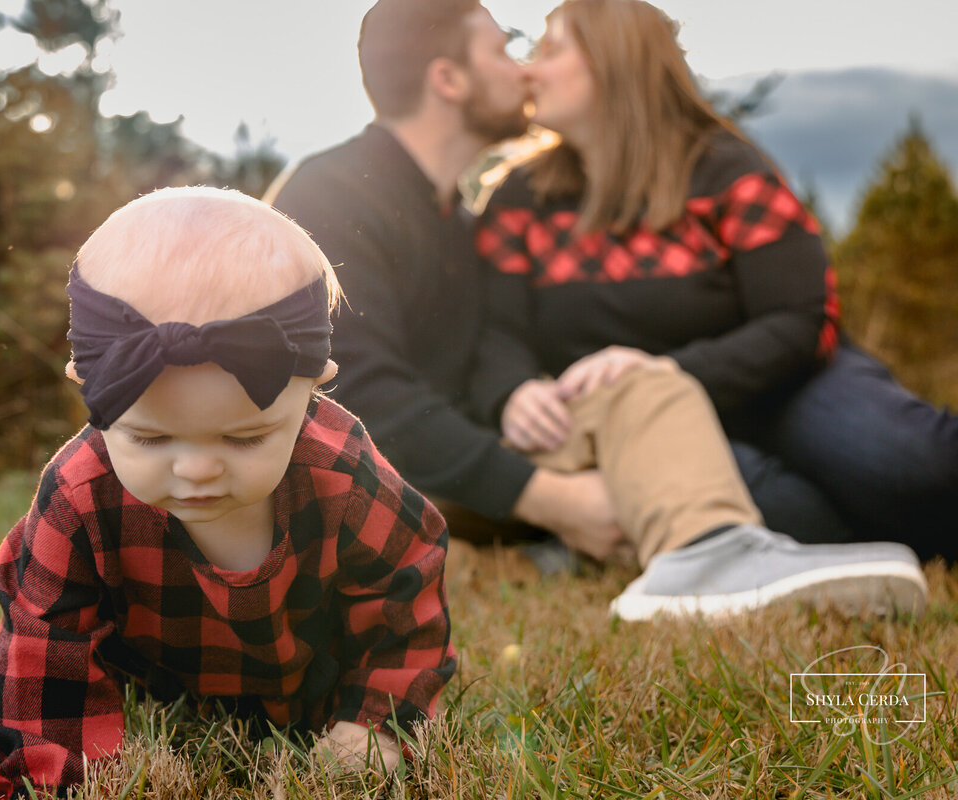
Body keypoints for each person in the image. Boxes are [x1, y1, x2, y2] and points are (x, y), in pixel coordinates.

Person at [268, 0, 927, 623]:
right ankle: (673, 551)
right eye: (505, 51)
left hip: (692, 401)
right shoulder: (338, 195)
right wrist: (556, 496)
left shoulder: (454, 213)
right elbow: (358, 398)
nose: (523, 69)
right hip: (385, 467)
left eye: (539, 50)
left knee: (645, 387)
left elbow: (800, 312)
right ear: (448, 80)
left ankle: (705, 550)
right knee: (786, 503)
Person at [0, 187, 455, 796]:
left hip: (312, 683)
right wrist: (64, 774)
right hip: (150, 677)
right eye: (150, 439)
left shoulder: (344, 477)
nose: (197, 470)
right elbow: (46, 644)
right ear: (87, 386)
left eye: (245, 437)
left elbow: (404, 596)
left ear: (314, 387)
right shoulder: (80, 496)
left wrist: (378, 725)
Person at [474, 0, 958, 560]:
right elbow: (494, 331)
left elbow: (802, 319)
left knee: (911, 463)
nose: (529, 70)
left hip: (788, 386)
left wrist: (668, 372)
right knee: (791, 515)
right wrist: (512, 391)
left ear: (614, 61)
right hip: (649, 429)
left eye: (551, 50)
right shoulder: (517, 202)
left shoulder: (728, 171)